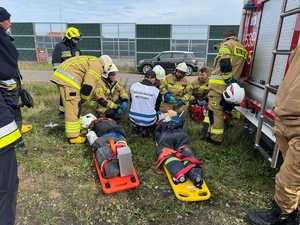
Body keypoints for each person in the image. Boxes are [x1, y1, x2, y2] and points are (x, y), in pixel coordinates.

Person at [247, 46, 300, 225]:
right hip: (288, 118)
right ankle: (294, 211)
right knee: (292, 174)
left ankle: (283, 217)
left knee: (288, 177)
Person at [50, 55, 114, 144]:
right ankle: (73, 137)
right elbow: (88, 85)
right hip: (69, 80)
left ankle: (76, 127)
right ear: (107, 64)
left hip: (64, 76)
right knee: (73, 107)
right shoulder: (98, 66)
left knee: (74, 105)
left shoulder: (93, 60)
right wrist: (83, 99)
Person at [0, 7, 24, 225]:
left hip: (9, 101)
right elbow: (8, 75)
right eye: (8, 20)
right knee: (5, 182)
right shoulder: (3, 43)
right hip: (4, 111)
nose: (10, 23)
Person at [207, 31, 247, 144]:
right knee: (220, 112)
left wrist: (227, 79)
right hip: (230, 88)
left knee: (216, 113)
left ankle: (215, 139)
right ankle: (212, 133)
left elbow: (224, 63)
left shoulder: (227, 45)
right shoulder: (242, 49)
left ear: (226, 37)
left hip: (218, 86)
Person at [52, 26, 81, 115]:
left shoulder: (76, 48)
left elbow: (80, 61)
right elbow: (55, 63)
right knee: (64, 95)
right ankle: (62, 112)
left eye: (78, 39)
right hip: (63, 77)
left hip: (75, 77)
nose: (76, 41)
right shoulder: (59, 47)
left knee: (74, 95)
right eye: (75, 39)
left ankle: (74, 111)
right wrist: (59, 78)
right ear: (69, 37)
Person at [129, 69, 162, 137]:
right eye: (155, 79)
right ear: (151, 78)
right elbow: (157, 108)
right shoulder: (156, 91)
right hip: (149, 119)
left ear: (145, 77)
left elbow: (132, 101)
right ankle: (148, 130)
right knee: (160, 114)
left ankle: (138, 128)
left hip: (133, 117)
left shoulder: (133, 86)